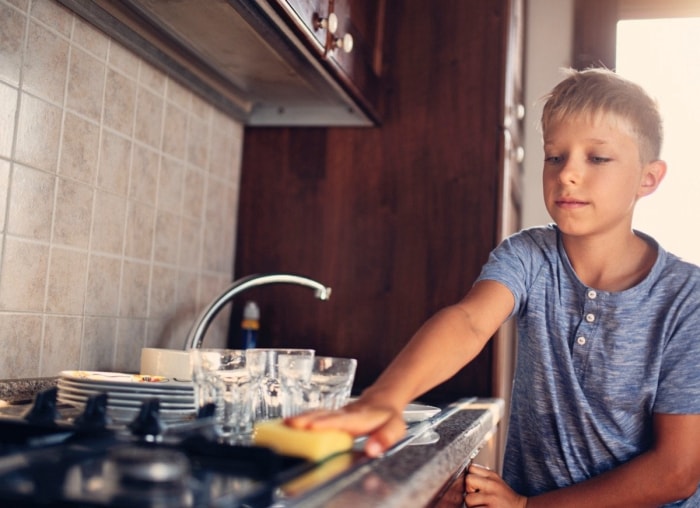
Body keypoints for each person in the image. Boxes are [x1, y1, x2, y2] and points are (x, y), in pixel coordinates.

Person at [287, 67, 700, 507]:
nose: (567, 175)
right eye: (555, 156)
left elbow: (676, 472)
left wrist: (527, 507)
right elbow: (468, 322)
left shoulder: (686, 299)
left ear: (648, 178)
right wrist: (386, 398)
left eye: (597, 159)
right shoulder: (529, 255)